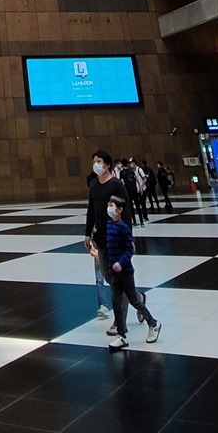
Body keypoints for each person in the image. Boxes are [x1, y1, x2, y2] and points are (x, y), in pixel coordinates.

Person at [103, 195, 162, 350]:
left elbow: (130, 249)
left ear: (120, 209)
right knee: (116, 302)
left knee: (134, 301)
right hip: (114, 272)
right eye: (108, 205)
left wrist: (120, 263)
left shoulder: (123, 227)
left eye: (112, 206)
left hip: (125, 272)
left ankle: (153, 323)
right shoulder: (109, 225)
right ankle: (122, 335)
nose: (109, 208)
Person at [83, 149, 129, 324]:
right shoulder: (94, 185)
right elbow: (91, 210)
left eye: (99, 161)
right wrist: (87, 233)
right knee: (108, 276)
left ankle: (119, 323)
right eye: (94, 161)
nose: (96, 165)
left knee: (117, 280)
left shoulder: (116, 185)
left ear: (107, 164)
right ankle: (138, 298)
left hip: (115, 236)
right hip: (100, 238)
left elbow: (126, 212)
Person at [120, 157, 143, 226]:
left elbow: (122, 182)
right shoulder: (131, 171)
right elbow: (136, 180)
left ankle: (134, 221)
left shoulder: (122, 172)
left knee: (131, 207)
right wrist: (139, 188)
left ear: (122, 164)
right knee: (138, 206)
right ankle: (141, 221)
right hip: (134, 190)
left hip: (128, 191)